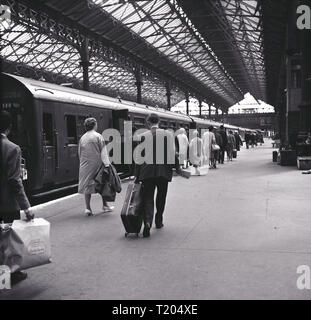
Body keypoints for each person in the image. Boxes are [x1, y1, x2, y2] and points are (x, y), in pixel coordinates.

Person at [0, 110, 33, 285]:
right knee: (7, 241)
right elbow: (14, 180)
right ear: (10, 127)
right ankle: (7, 277)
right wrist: (26, 207)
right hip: (6, 205)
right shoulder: (12, 148)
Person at [134, 113, 180, 238]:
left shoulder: (142, 136)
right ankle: (158, 221)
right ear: (158, 122)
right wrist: (178, 168)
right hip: (163, 172)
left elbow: (138, 158)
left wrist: (137, 176)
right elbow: (173, 153)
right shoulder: (168, 135)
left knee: (148, 197)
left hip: (147, 172)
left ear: (148, 123)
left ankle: (148, 222)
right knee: (161, 196)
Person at [78, 118, 113, 216]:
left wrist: (82, 163)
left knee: (87, 186)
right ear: (94, 125)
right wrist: (107, 164)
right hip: (97, 164)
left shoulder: (83, 138)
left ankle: (88, 208)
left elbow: (80, 153)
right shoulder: (98, 136)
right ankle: (105, 205)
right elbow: (103, 151)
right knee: (102, 184)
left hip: (85, 165)